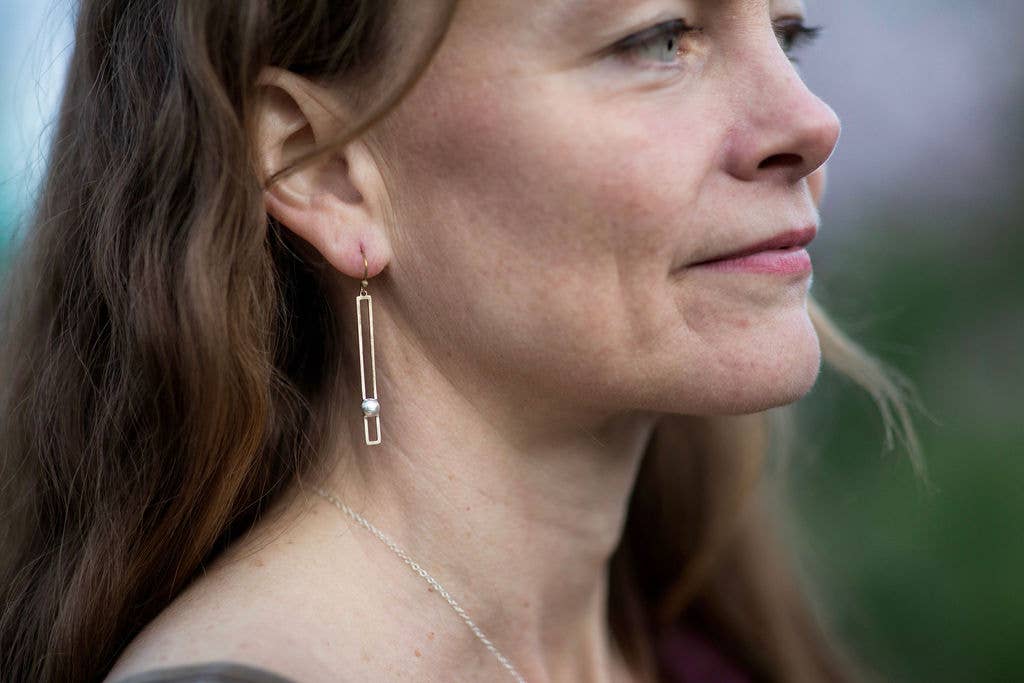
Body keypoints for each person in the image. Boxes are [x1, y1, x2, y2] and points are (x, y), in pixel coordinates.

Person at [0, 1, 926, 681]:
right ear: (327, 171)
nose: (811, 122)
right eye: (658, 39)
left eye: (790, 34)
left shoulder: (698, 635)